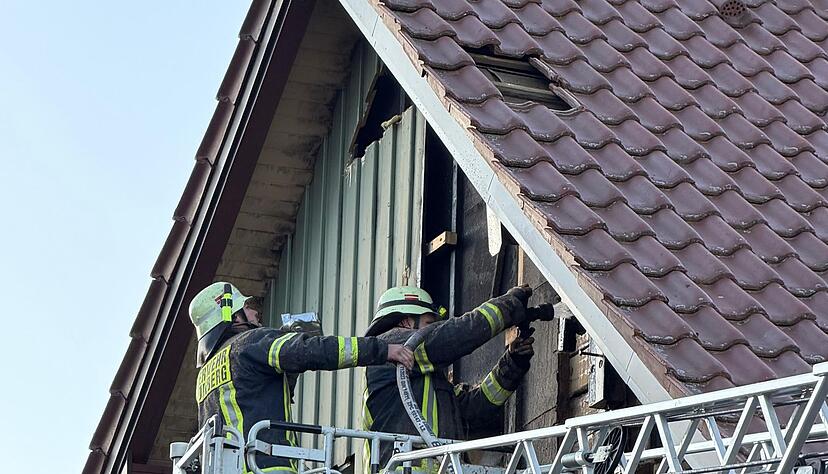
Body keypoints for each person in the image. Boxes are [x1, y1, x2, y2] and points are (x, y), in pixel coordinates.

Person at [190, 281, 414, 473]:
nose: (255, 313)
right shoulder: (250, 342)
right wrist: (383, 349)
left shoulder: (204, 377)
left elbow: (261, 400)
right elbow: (312, 351)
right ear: (232, 316)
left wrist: (290, 369)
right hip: (267, 467)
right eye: (247, 308)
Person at [361, 285, 554, 472]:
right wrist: (508, 305)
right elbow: (454, 336)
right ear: (406, 322)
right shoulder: (389, 347)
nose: (433, 330)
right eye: (429, 324)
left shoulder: (425, 382)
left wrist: (512, 363)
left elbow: (475, 408)